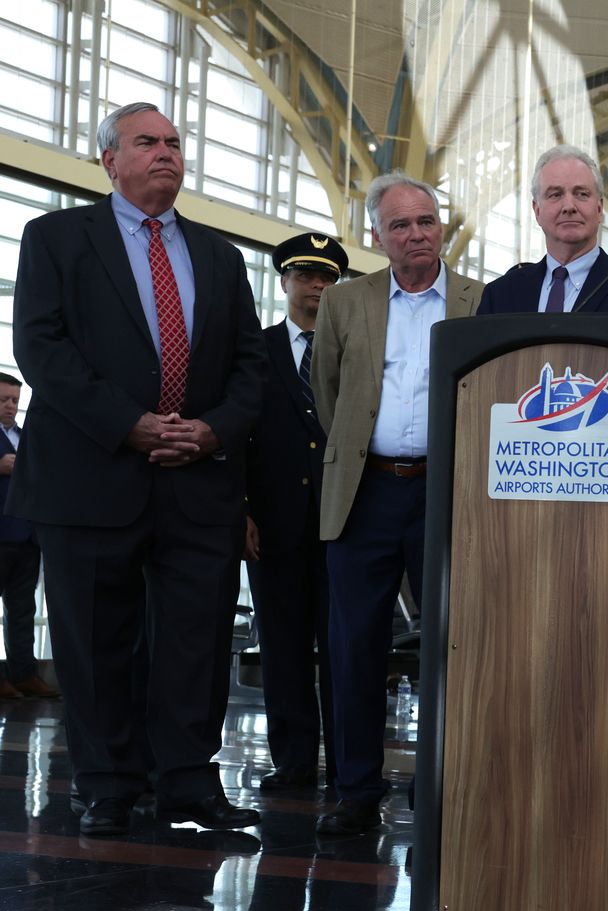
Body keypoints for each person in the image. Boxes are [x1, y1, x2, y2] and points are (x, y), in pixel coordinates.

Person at [11, 101, 267, 835]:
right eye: (147, 142)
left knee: (197, 640)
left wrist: (210, 433)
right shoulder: (56, 238)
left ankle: (188, 781)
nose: (166, 154)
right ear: (109, 161)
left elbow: (251, 368)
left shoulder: (220, 256)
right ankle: (107, 784)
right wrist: (131, 425)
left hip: (197, 480)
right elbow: (41, 348)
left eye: (175, 143)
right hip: (91, 476)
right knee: (94, 642)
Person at [309, 172, 482, 835]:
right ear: (377, 236)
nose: (417, 234)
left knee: (453, 640)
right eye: (401, 225)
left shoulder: (478, 299)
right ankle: (355, 790)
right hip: (364, 491)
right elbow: (328, 392)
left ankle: (441, 786)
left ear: (443, 228)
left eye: (427, 221)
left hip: (447, 491)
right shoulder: (345, 301)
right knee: (355, 645)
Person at [245, 232, 348, 791]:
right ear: (283, 280)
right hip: (274, 522)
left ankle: (347, 761)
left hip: (342, 522)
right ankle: (293, 760)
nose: (317, 286)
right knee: (282, 644)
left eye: (329, 278)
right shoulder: (252, 351)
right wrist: (240, 508)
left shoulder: (356, 348)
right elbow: (235, 435)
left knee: (343, 646)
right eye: (307, 275)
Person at [476, 145, 608, 314]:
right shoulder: (500, 294)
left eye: (581, 194)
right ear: (537, 211)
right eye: (555, 195)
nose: (569, 206)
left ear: (599, 209)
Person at [0, 375, 56, 700]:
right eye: (4, 399)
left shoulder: (25, 437)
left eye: (14, 399)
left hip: (27, 536)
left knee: (22, 608)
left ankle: (24, 674)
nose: (11, 406)